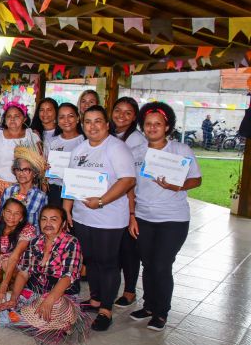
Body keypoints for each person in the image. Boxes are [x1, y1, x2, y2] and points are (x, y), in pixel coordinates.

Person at [63, 106, 136, 332]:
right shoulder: (79, 149)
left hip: (109, 218)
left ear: (106, 124)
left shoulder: (116, 148)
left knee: (107, 262)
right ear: (82, 125)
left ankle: (106, 309)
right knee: (91, 259)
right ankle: (94, 299)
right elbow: (71, 179)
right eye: (88, 122)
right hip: (83, 216)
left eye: (97, 121)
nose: (92, 126)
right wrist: (67, 207)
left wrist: (102, 201)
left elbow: (127, 180)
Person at [130, 102, 201, 331]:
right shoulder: (137, 153)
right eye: (148, 124)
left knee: (162, 265)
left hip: (173, 219)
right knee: (148, 264)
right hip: (143, 217)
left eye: (157, 124)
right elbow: (130, 186)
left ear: (167, 126)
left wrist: (177, 186)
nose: (152, 128)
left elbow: (197, 180)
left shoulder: (180, 151)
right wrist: (132, 215)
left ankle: (161, 312)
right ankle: (149, 306)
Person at [0, 206, 87, 345]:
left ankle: (2, 319)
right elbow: (24, 273)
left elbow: (68, 277)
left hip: (60, 296)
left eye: (53, 220)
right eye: (44, 219)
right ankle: (44, 323)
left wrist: (49, 300)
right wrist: (14, 298)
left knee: (53, 307)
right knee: (4, 298)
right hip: (35, 292)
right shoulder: (36, 241)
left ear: (63, 224)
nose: (48, 223)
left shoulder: (71, 243)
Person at [111, 97, 147, 309]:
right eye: (118, 111)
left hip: (131, 200)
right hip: (111, 200)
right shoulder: (110, 134)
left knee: (129, 249)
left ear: (135, 117)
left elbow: (130, 176)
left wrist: (132, 211)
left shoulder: (136, 140)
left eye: (128, 112)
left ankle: (130, 290)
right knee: (115, 249)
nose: (121, 116)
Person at [0, 100, 41, 222]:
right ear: (5, 119)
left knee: (20, 224)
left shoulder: (31, 136)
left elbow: (39, 163)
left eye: (16, 116)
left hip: (24, 188)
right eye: (9, 116)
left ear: (24, 119)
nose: (12, 119)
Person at [0, 198, 36, 288]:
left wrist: (4, 285)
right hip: (1, 259)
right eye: (8, 211)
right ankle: (9, 283)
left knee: (6, 263)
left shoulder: (27, 230)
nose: (11, 217)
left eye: (16, 214)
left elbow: (15, 256)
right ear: (3, 212)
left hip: (20, 263)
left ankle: (14, 284)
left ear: (22, 217)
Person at [0, 146, 48, 228]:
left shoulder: (40, 196)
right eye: (18, 169)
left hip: (30, 238)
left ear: (34, 173)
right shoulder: (8, 191)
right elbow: (0, 216)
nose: (21, 173)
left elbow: (41, 224)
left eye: (26, 170)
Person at [44, 103, 84, 205]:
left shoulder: (85, 141)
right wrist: (44, 168)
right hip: (54, 191)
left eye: (70, 116)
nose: (66, 120)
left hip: (77, 191)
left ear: (78, 118)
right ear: (57, 121)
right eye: (61, 117)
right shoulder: (51, 142)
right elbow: (44, 168)